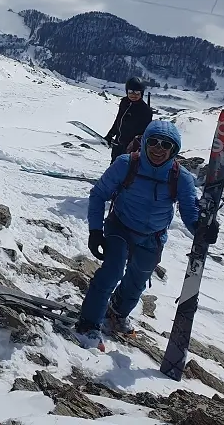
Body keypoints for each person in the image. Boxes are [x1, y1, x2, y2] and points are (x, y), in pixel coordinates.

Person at [75, 120, 215, 348]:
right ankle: (88, 325)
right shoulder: (126, 164)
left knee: (138, 280)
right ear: (145, 142)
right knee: (112, 271)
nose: (158, 149)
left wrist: (202, 230)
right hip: (120, 226)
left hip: (153, 236)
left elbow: (190, 213)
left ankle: (116, 313)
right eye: (153, 142)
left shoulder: (182, 178)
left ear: (174, 150)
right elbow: (99, 194)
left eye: (166, 145)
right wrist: (95, 230)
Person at [105, 76, 153, 160]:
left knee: (127, 169)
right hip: (118, 143)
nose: (133, 95)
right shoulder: (124, 102)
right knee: (114, 165)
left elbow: (145, 133)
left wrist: (137, 147)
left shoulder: (145, 110)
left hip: (132, 148)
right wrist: (110, 134)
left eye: (137, 93)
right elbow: (118, 120)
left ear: (141, 93)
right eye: (130, 92)